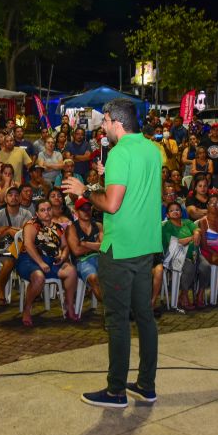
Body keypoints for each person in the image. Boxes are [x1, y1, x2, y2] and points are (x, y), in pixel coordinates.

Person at [62, 98, 162, 408]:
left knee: (117, 321)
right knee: (145, 317)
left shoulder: (119, 152)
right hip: (146, 245)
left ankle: (115, 390)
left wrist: (85, 192)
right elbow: (134, 191)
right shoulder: (151, 149)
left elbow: (112, 204)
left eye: (105, 121)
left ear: (117, 123)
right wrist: (107, 176)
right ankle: (146, 385)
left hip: (120, 248)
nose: (102, 127)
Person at [16, 199, 79, 324]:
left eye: (49, 209)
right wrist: (41, 263)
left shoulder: (58, 227)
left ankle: (69, 305)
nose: (47, 213)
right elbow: (28, 245)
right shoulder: (31, 225)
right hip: (30, 260)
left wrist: (63, 255)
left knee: (71, 271)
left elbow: (65, 246)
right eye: (43, 210)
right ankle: (27, 309)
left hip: (51, 261)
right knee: (39, 278)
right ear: (37, 213)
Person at [0, 186, 32, 306]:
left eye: (16, 195)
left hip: (23, 247)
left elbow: (28, 232)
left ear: (20, 198)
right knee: (9, 262)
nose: (13, 197)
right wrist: (8, 231)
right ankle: (1, 291)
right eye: (10, 195)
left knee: (34, 257)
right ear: (5, 199)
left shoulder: (27, 213)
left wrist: (7, 229)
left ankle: (34, 290)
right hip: (5, 247)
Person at [67, 196, 103, 306]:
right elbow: (76, 251)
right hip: (82, 261)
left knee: (118, 274)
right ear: (77, 212)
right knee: (93, 278)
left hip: (100, 258)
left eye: (89, 209)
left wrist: (85, 243)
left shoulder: (98, 225)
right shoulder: (72, 228)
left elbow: (104, 247)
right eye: (83, 209)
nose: (87, 212)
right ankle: (112, 308)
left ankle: (121, 305)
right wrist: (95, 245)